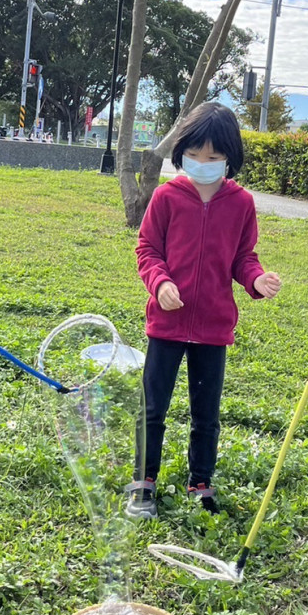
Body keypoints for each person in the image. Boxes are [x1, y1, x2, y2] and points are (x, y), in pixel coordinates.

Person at [126, 102, 282, 519]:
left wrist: (256, 280)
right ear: (181, 153)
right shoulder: (166, 196)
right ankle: (144, 481)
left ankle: (201, 482)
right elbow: (147, 250)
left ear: (229, 158)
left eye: (213, 158)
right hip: (166, 325)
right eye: (193, 155)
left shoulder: (241, 203)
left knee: (206, 412)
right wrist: (160, 284)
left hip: (214, 327)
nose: (202, 164)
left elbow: (243, 258)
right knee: (153, 406)